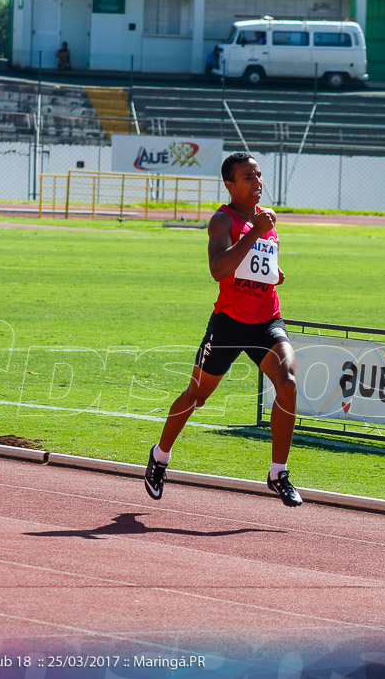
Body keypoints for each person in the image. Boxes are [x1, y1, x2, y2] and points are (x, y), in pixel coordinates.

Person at [144, 152, 302, 507]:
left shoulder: (267, 220)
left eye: (259, 175)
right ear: (230, 184)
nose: (257, 182)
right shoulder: (222, 221)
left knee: (288, 384)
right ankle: (160, 455)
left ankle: (279, 473)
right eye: (248, 177)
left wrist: (274, 274)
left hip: (266, 320)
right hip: (229, 324)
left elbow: (260, 265)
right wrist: (255, 234)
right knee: (196, 397)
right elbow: (219, 269)